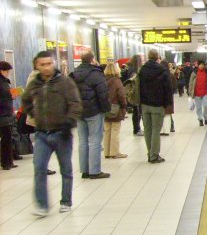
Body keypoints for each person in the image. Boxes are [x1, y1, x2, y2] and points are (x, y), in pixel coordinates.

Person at [21, 51, 82, 216]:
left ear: (53, 63)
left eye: (49, 63)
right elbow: (25, 99)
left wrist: (69, 121)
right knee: (39, 167)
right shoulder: (35, 84)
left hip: (61, 133)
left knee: (66, 168)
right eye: (42, 64)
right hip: (42, 134)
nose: (46, 67)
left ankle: (66, 201)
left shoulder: (65, 82)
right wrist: (33, 113)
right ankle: (42, 205)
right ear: (37, 66)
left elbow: (75, 103)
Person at [71, 51, 111, 179]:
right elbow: (103, 93)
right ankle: (95, 171)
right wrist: (106, 109)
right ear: (93, 60)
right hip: (94, 111)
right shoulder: (96, 74)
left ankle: (85, 170)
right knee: (95, 140)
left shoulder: (73, 74)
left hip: (79, 112)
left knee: (82, 141)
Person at [138, 49, 173, 163]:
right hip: (157, 105)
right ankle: (154, 155)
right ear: (157, 57)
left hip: (144, 104)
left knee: (147, 130)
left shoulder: (142, 70)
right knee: (156, 130)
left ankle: (150, 153)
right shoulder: (161, 70)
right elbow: (168, 88)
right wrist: (167, 103)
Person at [103, 62, 127, 159]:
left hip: (105, 108)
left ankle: (107, 152)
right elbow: (121, 95)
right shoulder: (117, 81)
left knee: (107, 130)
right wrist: (124, 106)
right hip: (116, 108)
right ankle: (115, 152)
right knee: (115, 130)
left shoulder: (103, 81)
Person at [122, 54, 143, 136]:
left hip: (131, 92)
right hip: (136, 92)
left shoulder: (129, 68)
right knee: (137, 112)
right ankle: (137, 129)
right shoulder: (136, 70)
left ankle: (136, 128)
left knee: (136, 111)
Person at [189, 60, 207, 126]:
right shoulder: (194, 73)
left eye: (202, 64)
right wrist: (190, 92)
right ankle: (200, 119)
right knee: (198, 108)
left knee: (206, 106)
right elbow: (191, 83)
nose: (201, 66)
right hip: (197, 93)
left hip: (205, 93)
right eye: (200, 64)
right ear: (198, 65)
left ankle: (205, 117)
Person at [0, 61, 15, 170]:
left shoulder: (4, 81)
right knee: (6, 139)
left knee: (8, 138)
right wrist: (10, 97)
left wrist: (11, 96)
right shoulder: (1, 82)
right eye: (7, 71)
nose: (8, 73)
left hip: (6, 113)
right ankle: (6, 162)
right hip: (3, 114)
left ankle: (9, 161)